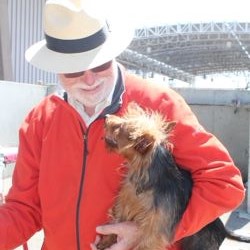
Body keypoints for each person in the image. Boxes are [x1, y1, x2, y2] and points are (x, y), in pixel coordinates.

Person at [0, 0, 245, 250]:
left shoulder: (159, 103)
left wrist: (149, 233)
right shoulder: (39, 121)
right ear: (56, 66)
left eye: (99, 63)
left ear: (111, 53)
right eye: (73, 69)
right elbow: (24, 209)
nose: (89, 79)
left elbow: (224, 184)